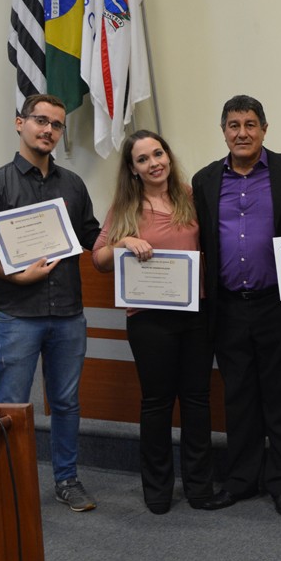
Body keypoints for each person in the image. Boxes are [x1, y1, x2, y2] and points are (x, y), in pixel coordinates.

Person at [0, 94, 101, 511]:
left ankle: (67, 479)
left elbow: (91, 235)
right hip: (17, 315)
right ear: (20, 123)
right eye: (41, 120)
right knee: (11, 405)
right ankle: (11, 483)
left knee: (66, 403)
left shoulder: (73, 184)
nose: (48, 130)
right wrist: (12, 273)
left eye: (57, 125)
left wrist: (125, 236)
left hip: (68, 314)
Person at [191, 95, 281, 517]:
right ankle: (241, 480)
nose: (241, 133)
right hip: (228, 307)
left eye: (250, 124)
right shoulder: (205, 179)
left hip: (278, 304)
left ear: (264, 128)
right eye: (233, 125)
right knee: (239, 397)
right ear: (223, 131)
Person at [91, 130, 227, 514]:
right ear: (133, 169)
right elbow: (98, 259)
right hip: (149, 320)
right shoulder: (126, 208)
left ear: (168, 155)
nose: (154, 163)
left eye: (158, 154)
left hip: (195, 314)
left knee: (197, 401)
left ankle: (199, 488)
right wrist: (122, 243)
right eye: (143, 159)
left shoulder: (190, 196)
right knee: (157, 403)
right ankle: (157, 490)